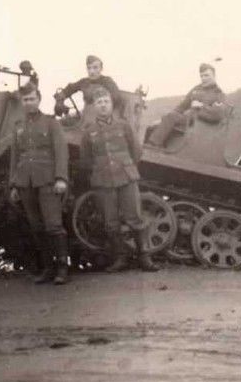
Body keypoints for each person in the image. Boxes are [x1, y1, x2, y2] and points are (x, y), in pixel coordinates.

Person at [79, 85, 159, 273]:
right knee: (110, 222)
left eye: (106, 101)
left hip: (126, 177)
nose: (103, 105)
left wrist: (125, 167)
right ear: (93, 107)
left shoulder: (123, 125)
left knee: (135, 218)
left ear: (112, 103)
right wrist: (101, 169)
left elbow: (136, 152)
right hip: (103, 180)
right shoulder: (88, 131)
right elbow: (86, 160)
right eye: (99, 102)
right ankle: (120, 259)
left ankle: (145, 258)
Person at [8, 82, 70, 284]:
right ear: (22, 102)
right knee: (36, 226)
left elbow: (61, 152)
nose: (28, 103)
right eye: (25, 100)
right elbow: (15, 157)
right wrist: (14, 184)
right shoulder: (18, 126)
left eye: (32, 99)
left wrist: (61, 178)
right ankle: (48, 268)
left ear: (39, 99)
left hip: (47, 180)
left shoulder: (51, 123)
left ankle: (62, 269)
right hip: (25, 182)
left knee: (53, 225)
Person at [147, 62, 228, 147]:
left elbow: (218, 114)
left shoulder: (218, 94)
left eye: (206, 75)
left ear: (214, 76)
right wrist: (164, 119)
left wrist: (201, 106)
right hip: (187, 119)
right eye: (202, 76)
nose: (203, 78)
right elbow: (182, 107)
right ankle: (151, 147)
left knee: (171, 117)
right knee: (159, 122)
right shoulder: (196, 89)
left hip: (200, 124)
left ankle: (153, 145)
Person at [54, 54, 123, 112]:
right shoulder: (84, 82)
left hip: (105, 117)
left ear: (101, 68)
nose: (91, 71)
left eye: (95, 68)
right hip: (87, 118)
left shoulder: (107, 81)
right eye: (89, 68)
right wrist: (59, 101)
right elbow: (69, 89)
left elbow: (116, 98)